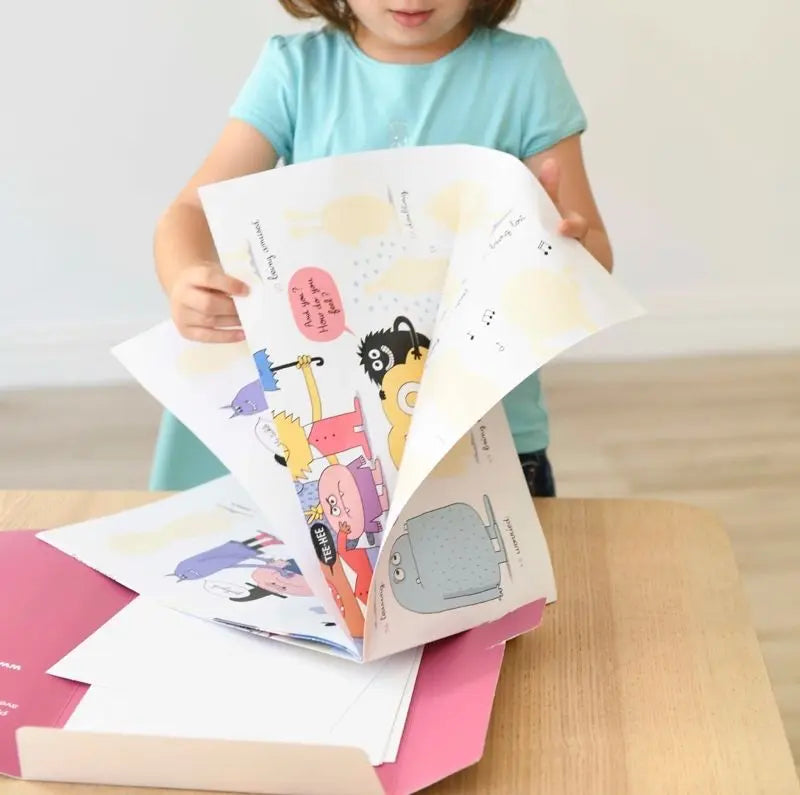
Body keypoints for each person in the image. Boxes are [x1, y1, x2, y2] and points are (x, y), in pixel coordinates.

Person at [150, 0, 614, 497]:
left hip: (491, 437)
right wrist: (184, 277)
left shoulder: (526, 72)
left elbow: (595, 254)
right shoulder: (296, 70)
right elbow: (191, 212)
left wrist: (565, 251)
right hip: (334, 438)